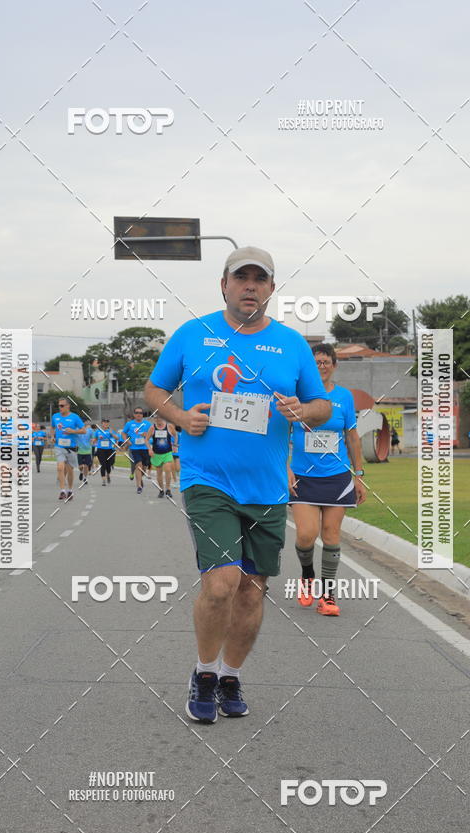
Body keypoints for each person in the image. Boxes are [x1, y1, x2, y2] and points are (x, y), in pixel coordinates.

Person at [145, 245, 331, 724]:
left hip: (266, 488)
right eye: (240, 277)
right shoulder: (193, 334)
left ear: (270, 289)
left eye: (260, 279)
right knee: (223, 584)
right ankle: (205, 673)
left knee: (252, 590)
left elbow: (321, 406)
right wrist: (181, 416)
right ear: (224, 285)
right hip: (208, 481)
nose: (250, 286)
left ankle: (231, 676)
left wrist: (302, 411)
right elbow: (155, 389)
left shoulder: (291, 344)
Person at [288, 344, 366, 616]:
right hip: (302, 478)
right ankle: (307, 578)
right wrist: (285, 469)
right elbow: (279, 435)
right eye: (316, 362)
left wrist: (359, 475)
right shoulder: (297, 395)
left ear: (334, 365)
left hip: (337, 477)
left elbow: (352, 438)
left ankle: (328, 596)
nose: (321, 366)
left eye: (326, 362)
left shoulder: (344, 397)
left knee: (331, 534)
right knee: (306, 535)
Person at [51, 398, 86, 501]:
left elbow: (84, 430)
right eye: (59, 406)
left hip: (71, 448)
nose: (60, 408)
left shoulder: (75, 417)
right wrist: (52, 436)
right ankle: (62, 491)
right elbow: (53, 427)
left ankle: (70, 490)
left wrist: (73, 431)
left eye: (62, 406)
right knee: (60, 467)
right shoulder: (55, 416)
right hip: (59, 446)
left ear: (68, 406)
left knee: (70, 470)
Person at [122, 407, 152, 495]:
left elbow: (153, 433)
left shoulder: (147, 424)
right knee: (138, 466)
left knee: (144, 468)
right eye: (137, 412)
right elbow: (123, 433)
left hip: (145, 448)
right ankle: (139, 486)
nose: (139, 414)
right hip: (135, 449)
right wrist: (127, 441)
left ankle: (140, 478)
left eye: (141, 413)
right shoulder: (129, 424)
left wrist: (147, 435)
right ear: (134, 414)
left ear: (143, 415)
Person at [146, 415, 176, 498]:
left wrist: (174, 445)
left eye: (159, 417)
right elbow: (146, 440)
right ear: (154, 419)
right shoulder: (152, 428)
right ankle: (161, 490)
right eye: (156, 418)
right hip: (156, 454)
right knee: (159, 473)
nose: (158, 419)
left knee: (167, 469)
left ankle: (168, 489)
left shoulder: (169, 426)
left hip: (167, 453)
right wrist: (150, 449)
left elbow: (175, 435)